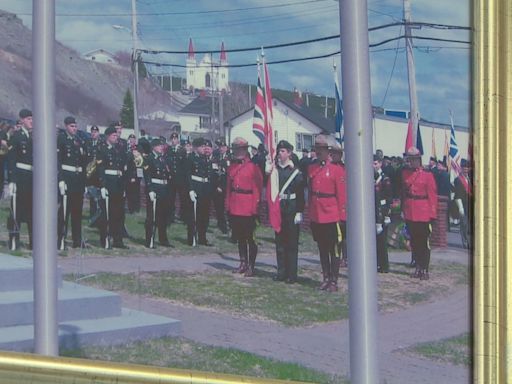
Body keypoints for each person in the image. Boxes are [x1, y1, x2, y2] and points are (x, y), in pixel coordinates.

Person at [308, 135, 346, 292]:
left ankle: (334, 280)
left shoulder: (337, 170)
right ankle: (325, 277)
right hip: (317, 214)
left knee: (334, 249)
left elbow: (342, 196)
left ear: (328, 152)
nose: (318, 152)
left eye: (321, 150)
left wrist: (342, 217)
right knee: (322, 248)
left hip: (332, 215)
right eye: (317, 149)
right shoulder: (312, 168)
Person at [268, 140, 305, 284]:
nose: (279, 154)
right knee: (279, 242)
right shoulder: (274, 170)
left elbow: (301, 193)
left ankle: (292, 274)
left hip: (291, 207)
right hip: (279, 208)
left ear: (289, 153)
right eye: (279, 151)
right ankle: (281, 272)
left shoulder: (295, 171)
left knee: (291, 243)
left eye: (283, 151)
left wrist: (299, 211)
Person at [225, 137, 263, 277]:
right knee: (240, 237)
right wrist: (228, 205)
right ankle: (243, 262)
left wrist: (254, 209)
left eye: (240, 149)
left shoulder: (253, 167)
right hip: (235, 206)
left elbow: (258, 189)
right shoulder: (232, 167)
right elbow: (228, 189)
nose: (237, 152)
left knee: (250, 238)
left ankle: (251, 266)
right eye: (235, 149)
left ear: (245, 150)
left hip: (248, 207)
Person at [401, 146, 438, 280]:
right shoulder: (405, 174)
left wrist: (432, 215)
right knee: (415, 242)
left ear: (419, 160)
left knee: (424, 243)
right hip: (411, 212)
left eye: (413, 160)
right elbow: (404, 194)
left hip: (423, 213)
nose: (411, 162)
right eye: (409, 159)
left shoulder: (427, 175)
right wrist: (403, 211)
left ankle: (424, 269)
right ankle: (417, 267)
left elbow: (432, 196)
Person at [57, 116, 88, 249]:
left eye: (75, 126)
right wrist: (61, 180)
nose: (74, 129)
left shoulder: (79, 141)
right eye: (71, 126)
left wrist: (84, 183)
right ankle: (61, 239)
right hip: (67, 178)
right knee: (64, 211)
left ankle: (77, 240)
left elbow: (83, 163)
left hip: (78, 180)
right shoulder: (61, 140)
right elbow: (58, 161)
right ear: (66, 126)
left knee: (77, 212)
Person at [96, 126, 129, 249]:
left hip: (118, 185)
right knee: (106, 213)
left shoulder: (118, 150)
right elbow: (100, 169)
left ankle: (117, 240)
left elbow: (122, 168)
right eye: (114, 136)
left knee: (118, 213)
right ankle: (104, 239)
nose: (116, 138)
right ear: (108, 136)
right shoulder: (102, 149)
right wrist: (102, 185)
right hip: (108, 183)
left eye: (117, 135)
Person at [7, 108, 34, 250]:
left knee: (31, 211)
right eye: (29, 119)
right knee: (16, 211)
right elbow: (11, 159)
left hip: (31, 179)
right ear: (22, 120)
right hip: (20, 177)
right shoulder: (16, 136)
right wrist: (12, 180)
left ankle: (33, 242)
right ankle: (13, 241)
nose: (31, 122)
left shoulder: (33, 137)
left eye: (32, 119)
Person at [142, 138, 173, 248]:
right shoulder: (149, 159)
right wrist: (150, 190)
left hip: (164, 188)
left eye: (162, 146)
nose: (161, 147)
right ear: (154, 147)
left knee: (163, 216)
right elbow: (147, 175)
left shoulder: (163, 159)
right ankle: (149, 240)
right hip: (154, 188)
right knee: (152, 216)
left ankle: (163, 239)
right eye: (159, 146)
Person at [185, 137, 212, 246]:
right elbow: (187, 175)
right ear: (196, 147)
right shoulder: (190, 158)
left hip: (204, 188)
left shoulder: (205, 158)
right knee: (193, 216)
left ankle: (202, 238)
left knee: (204, 215)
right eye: (202, 146)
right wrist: (191, 189)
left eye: (204, 146)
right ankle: (192, 238)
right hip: (195, 187)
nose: (204, 148)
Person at [329, 142, 348, 268]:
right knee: (335, 236)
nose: (335, 156)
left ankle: (345, 258)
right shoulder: (328, 167)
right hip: (333, 206)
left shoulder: (345, 168)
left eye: (337, 153)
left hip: (345, 206)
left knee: (345, 236)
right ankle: (336, 257)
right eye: (333, 153)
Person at [374, 155, 393, 273]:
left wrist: (386, 215)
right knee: (374, 241)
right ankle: (376, 263)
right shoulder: (370, 177)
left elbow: (388, 197)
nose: (373, 166)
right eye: (372, 163)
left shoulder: (385, 178)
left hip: (382, 213)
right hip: (373, 212)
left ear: (380, 164)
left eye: (375, 163)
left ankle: (384, 265)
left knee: (381, 240)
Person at [166, 131, 187, 223]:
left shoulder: (182, 150)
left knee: (183, 197)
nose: (174, 141)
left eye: (175, 139)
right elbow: (168, 162)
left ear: (178, 140)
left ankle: (183, 216)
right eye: (172, 139)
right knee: (171, 198)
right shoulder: (169, 149)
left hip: (180, 178)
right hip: (171, 178)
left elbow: (184, 165)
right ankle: (170, 216)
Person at [209, 138, 229, 234]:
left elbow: (228, 175)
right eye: (220, 147)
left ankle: (229, 225)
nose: (221, 149)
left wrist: (222, 186)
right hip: (216, 187)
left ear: (226, 147)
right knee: (218, 207)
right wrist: (216, 186)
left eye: (223, 147)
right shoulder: (216, 157)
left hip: (226, 187)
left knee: (228, 208)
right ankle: (221, 225)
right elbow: (213, 173)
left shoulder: (230, 157)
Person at [125, 133, 141, 214]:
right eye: (130, 140)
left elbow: (138, 163)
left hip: (134, 174)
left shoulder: (137, 149)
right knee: (129, 191)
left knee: (135, 192)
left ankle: (136, 208)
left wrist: (134, 176)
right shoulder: (127, 148)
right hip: (127, 173)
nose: (131, 141)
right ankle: (130, 208)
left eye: (133, 140)